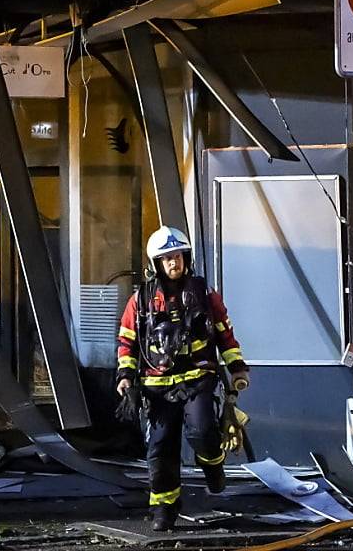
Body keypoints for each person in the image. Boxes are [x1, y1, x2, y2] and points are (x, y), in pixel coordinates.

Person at [115, 226, 250, 531]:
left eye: (177, 256)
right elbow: (127, 342)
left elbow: (224, 334)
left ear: (185, 257)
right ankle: (165, 507)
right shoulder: (141, 301)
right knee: (160, 448)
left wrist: (236, 366)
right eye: (167, 259)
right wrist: (125, 376)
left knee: (203, 431)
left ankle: (214, 467)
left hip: (198, 379)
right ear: (156, 264)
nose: (174, 263)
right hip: (157, 388)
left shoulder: (204, 294)